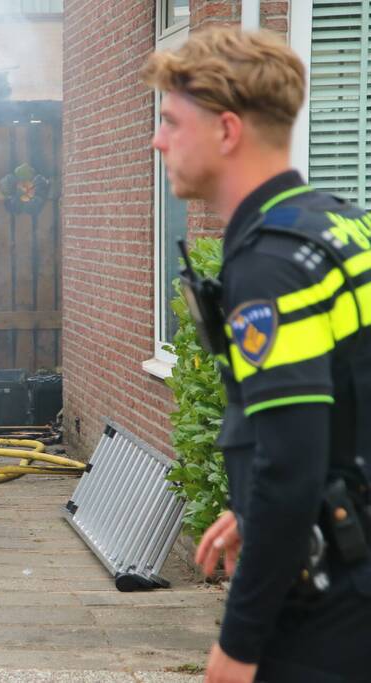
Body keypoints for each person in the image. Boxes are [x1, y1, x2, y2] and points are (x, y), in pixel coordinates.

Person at [144, 27, 371, 683]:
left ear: (226, 130)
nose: (157, 140)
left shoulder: (270, 265)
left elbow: (288, 464)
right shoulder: (338, 225)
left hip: (333, 609)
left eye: (169, 121)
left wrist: (237, 645)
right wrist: (249, 511)